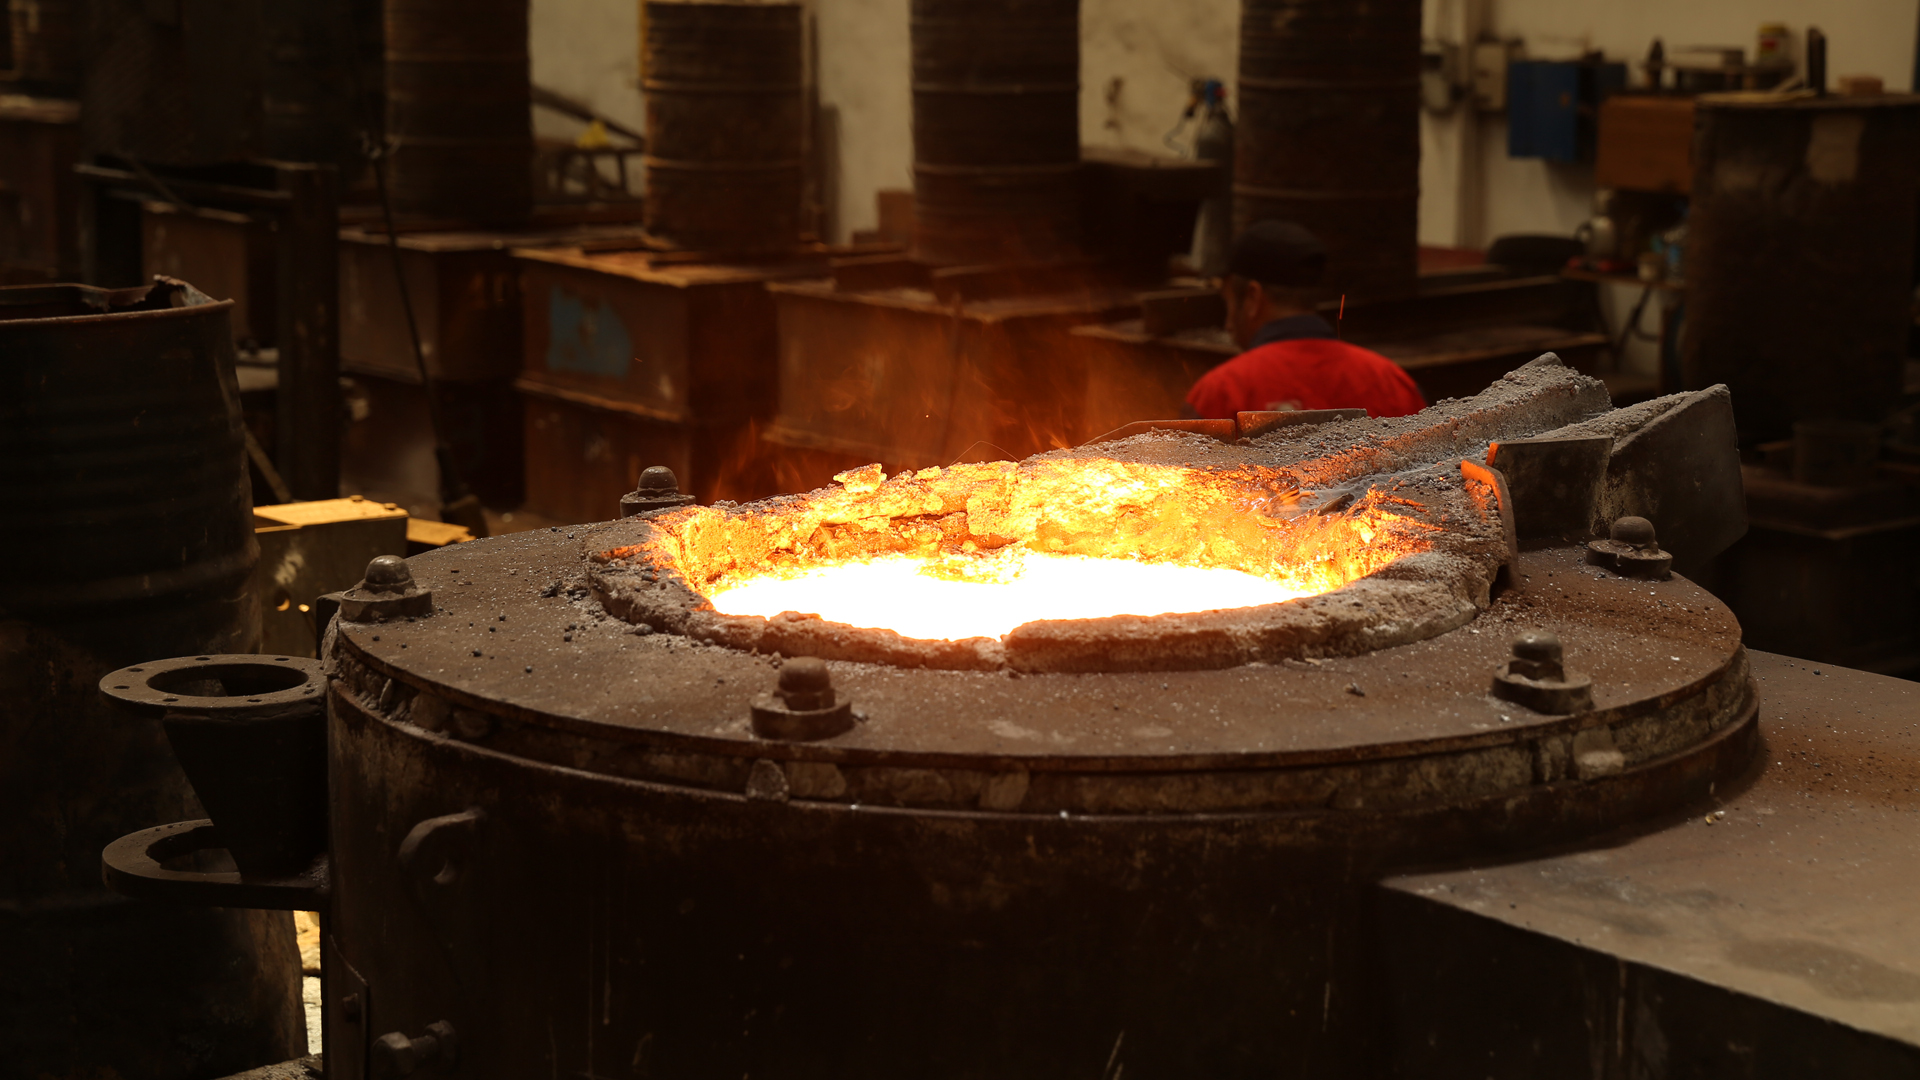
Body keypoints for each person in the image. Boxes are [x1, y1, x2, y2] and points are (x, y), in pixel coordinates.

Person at [1185, 220, 1426, 420]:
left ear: (1252, 298)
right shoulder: (1392, 383)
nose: (1227, 325)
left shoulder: (1221, 393)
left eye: (1227, 301)